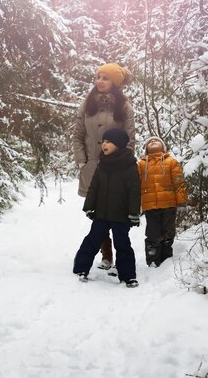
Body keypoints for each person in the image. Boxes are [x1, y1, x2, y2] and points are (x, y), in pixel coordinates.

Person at [72, 63, 135, 270]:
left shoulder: (124, 107)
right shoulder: (87, 105)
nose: (99, 81)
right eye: (98, 76)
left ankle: (121, 257)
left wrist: (123, 165)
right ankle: (106, 254)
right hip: (92, 168)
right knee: (98, 213)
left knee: (115, 211)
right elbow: (78, 136)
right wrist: (82, 162)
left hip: (117, 170)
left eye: (105, 77)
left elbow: (129, 139)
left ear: (115, 82)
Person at [73, 128, 141, 288]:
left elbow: (134, 191)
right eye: (103, 141)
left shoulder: (129, 166)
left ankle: (128, 276)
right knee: (92, 240)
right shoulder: (102, 164)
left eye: (108, 142)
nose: (104, 144)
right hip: (101, 214)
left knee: (122, 245)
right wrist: (89, 207)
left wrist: (133, 213)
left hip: (121, 215)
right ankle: (81, 268)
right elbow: (94, 187)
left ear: (118, 144)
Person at [137, 136, 188, 267]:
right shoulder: (141, 164)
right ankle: (153, 261)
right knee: (152, 234)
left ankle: (166, 261)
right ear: (146, 149)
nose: (153, 141)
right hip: (150, 206)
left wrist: (181, 202)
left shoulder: (171, 162)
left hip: (169, 205)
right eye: (150, 142)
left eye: (156, 141)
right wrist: (135, 206)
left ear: (163, 146)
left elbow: (179, 183)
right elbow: (135, 185)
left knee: (168, 233)